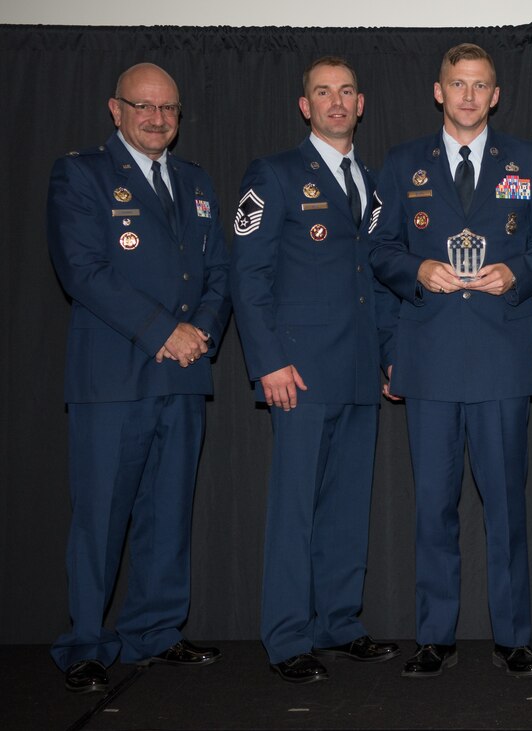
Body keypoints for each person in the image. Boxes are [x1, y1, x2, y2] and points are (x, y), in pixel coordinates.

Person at [368, 43, 532, 678]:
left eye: (480, 85)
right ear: (438, 91)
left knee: (506, 506)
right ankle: (434, 636)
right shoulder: (402, 162)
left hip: (502, 360)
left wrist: (517, 273)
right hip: (429, 360)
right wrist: (418, 269)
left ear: (496, 95)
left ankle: (514, 637)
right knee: (433, 506)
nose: (469, 95)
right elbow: (378, 249)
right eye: (458, 84)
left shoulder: (530, 160)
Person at [47, 62, 230, 693]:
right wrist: (163, 332)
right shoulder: (82, 174)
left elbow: (218, 273)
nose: (157, 118)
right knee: (100, 519)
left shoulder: (196, 181)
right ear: (116, 109)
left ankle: (154, 631)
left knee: (169, 514)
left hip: (184, 374)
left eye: (168, 108)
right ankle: (86, 644)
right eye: (143, 106)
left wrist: (199, 331)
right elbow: (82, 271)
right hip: (113, 381)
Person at [231, 56, 399, 684]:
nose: (336, 102)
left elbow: (377, 279)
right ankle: (286, 636)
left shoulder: (372, 183)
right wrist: (268, 361)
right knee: (295, 510)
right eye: (323, 93)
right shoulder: (274, 174)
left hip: (358, 369)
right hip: (298, 372)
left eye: (346, 91)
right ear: (305, 106)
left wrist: (389, 355)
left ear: (361, 103)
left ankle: (338, 623)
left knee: (348, 507)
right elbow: (249, 275)